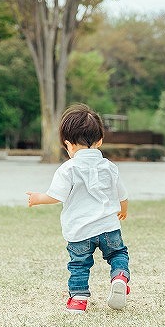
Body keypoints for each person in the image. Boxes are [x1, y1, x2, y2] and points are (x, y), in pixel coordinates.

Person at [26, 104, 131, 313]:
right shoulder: (109, 167)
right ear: (100, 140)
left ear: (68, 144)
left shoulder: (68, 169)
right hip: (109, 227)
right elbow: (123, 195)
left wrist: (38, 198)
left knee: (79, 265)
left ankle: (78, 299)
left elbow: (56, 196)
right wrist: (123, 210)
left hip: (80, 231)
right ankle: (119, 276)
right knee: (118, 253)